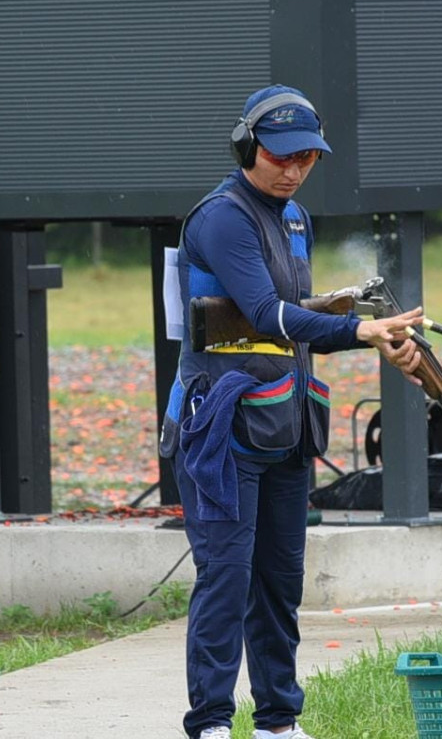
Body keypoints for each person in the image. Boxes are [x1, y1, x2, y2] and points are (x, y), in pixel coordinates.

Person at [158, 84, 424, 739]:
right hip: (219, 430)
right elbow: (267, 314)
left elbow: (295, 323)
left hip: (281, 421)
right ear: (247, 148)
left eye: (306, 157)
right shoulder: (223, 217)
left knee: (278, 581)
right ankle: (211, 724)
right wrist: (359, 332)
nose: (294, 169)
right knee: (226, 579)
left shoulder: (295, 218)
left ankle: (279, 722)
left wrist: (371, 330)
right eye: (281, 156)